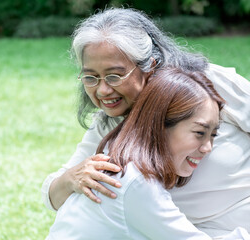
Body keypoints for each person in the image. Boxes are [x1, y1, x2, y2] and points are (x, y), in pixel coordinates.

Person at [42, 8, 250, 238]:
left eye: (114, 75)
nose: (102, 90)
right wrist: (72, 178)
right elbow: (53, 196)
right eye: (91, 77)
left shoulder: (208, 86)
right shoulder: (109, 127)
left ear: (149, 66)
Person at [47, 68, 237, 239]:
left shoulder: (125, 160)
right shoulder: (133, 182)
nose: (207, 147)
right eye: (199, 133)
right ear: (160, 126)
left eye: (213, 135)